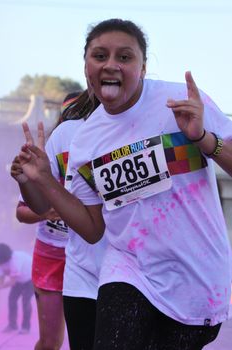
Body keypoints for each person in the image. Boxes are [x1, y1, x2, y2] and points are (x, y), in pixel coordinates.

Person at [15, 18, 232, 350]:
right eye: (100, 56)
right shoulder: (86, 141)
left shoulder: (181, 101)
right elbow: (91, 229)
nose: (111, 65)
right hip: (129, 267)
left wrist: (202, 138)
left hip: (196, 276)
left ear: (143, 67)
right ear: (86, 66)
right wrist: (45, 178)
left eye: (125, 57)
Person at [12, 90, 106, 350]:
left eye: (81, 115)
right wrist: (45, 211)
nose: (75, 122)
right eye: (70, 117)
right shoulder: (51, 154)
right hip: (51, 255)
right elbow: (21, 212)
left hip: (92, 257)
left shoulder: (99, 148)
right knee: (51, 341)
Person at [0, 243, 33, 334]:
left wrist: (1, 287)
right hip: (18, 280)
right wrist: (0, 286)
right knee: (12, 300)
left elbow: (11, 282)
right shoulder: (0, 262)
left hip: (30, 279)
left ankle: (26, 327)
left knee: (25, 301)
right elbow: (1, 279)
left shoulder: (16, 259)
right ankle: (12, 325)